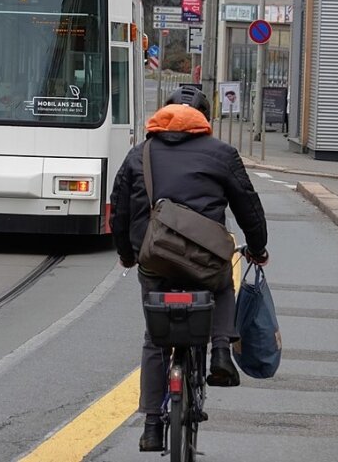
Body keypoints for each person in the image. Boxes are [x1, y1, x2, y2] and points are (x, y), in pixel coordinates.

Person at [109, 85, 269, 453]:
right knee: (223, 283)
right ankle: (220, 354)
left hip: (155, 260)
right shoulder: (222, 154)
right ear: (204, 119)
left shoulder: (140, 154)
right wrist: (257, 249)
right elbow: (248, 207)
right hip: (205, 261)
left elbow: (118, 211)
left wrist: (128, 254)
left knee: (154, 339)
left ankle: (151, 425)